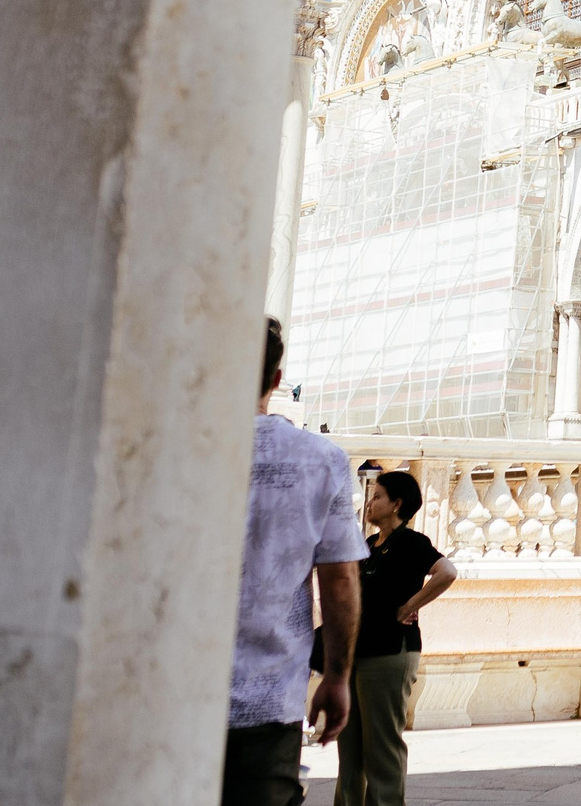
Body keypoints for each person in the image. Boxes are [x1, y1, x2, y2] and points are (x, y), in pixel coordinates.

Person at [225, 318, 365, 806]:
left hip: (168, 689)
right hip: (268, 699)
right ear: (277, 379)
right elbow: (341, 581)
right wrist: (338, 676)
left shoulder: (174, 447)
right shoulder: (320, 459)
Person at [337, 471, 456, 806]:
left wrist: (409, 606)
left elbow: (447, 572)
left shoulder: (411, 542)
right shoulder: (367, 546)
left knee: (382, 746)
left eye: (377, 496)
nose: (370, 503)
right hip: (357, 651)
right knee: (350, 748)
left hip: (390, 652)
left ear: (397, 504)